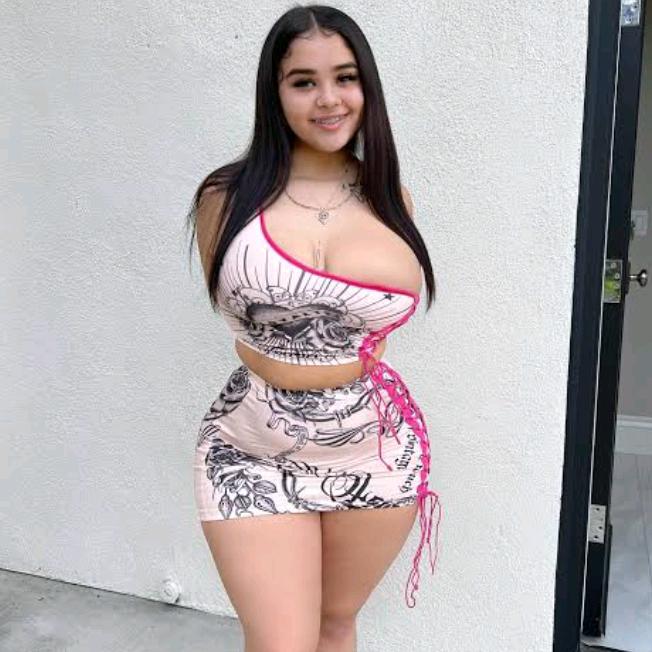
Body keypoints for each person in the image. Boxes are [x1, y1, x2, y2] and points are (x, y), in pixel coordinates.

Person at [186, 5, 442, 651]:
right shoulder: (226, 198)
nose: (328, 99)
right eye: (303, 82)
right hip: (251, 445)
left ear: (366, 86)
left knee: (335, 624)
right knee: (281, 642)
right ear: (274, 93)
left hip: (373, 447)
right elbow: (236, 313)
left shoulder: (392, 199)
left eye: (344, 77)